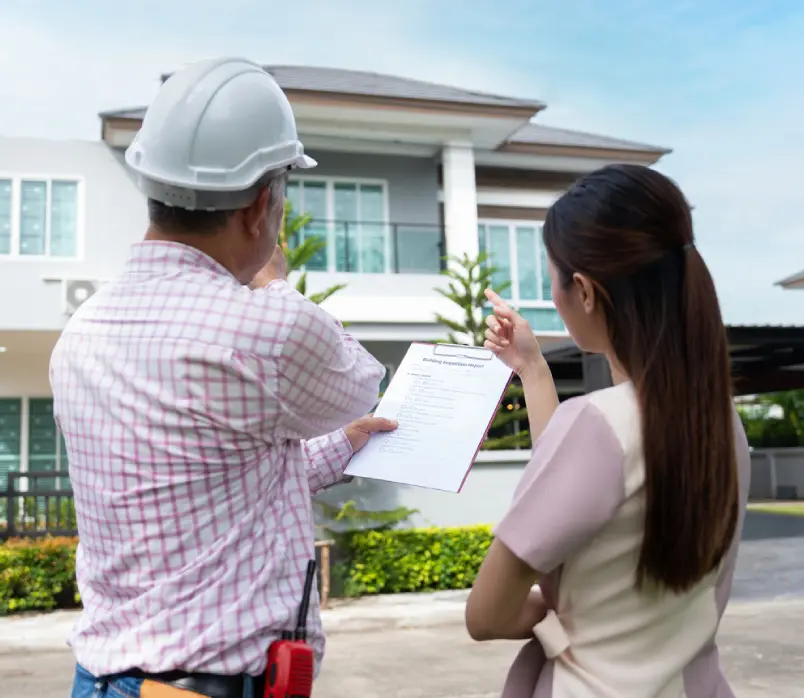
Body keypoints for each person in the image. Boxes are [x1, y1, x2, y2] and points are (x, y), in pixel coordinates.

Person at [52, 58, 394, 698]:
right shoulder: (267, 328)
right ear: (263, 203)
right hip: (202, 687)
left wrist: (343, 445)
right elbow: (360, 383)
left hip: (101, 680)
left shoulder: (83, 330)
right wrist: (271, 280)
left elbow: (209, 475)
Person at [465, 164, 749, 697]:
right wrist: (532, 367)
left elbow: (487, 614)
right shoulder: (721, 424)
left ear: (586, 291)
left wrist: (558, 618)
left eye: (551, 276)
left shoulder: (598, 426)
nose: (552, 296)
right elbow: (583, 477)